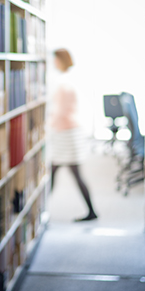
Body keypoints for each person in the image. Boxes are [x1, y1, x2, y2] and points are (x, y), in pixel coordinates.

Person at [47, 48, 97, 222]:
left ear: (60, 61)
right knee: (57, 172)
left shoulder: (63, 83)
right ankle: (41, 210)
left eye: (55, 60)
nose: (53, 63)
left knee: (59, 172)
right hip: (69, 132)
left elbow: (60, 111)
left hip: (65, 133)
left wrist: (47, 126)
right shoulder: (70, 79)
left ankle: (41, 211)